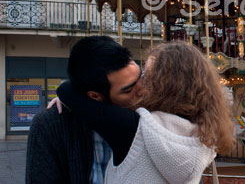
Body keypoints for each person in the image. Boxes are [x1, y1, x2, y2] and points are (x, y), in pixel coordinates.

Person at [56, 41, 234, 184]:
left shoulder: (133, 127)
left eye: (147, 77)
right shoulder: (203, 132)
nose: (141, 86)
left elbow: (67, 90)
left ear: (165, 87)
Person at [26, 36, 144, 184]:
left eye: (141, 77)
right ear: (95, 96)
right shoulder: (51, 124)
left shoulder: (152, 109)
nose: (143, 90)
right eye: (129, 90)